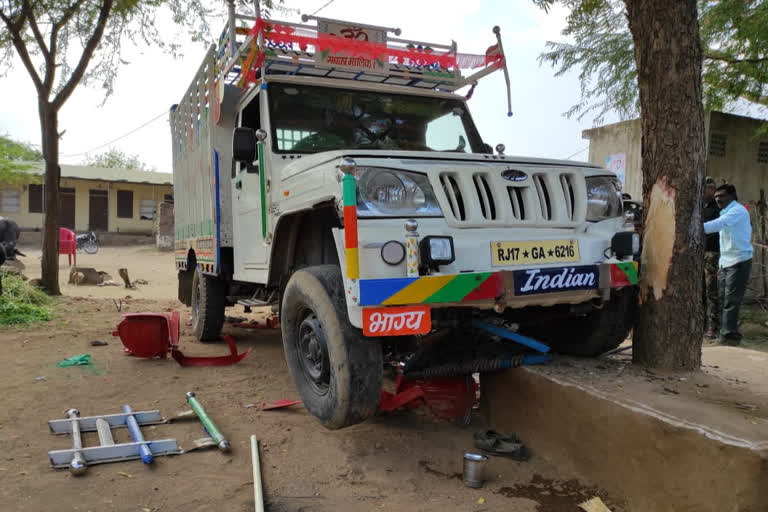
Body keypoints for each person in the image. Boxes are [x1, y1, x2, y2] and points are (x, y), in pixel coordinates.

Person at [704, 184, 753, 345]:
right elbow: (724, 242)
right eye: (716, 196)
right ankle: (725, 334)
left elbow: (717, 225)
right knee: (723, 299)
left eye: (722, 196)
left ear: (732, 196)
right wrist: (721, 264)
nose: (718, 199)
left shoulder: (737, 211)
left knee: (731, 301)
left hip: (739, 261)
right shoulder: (726, 211)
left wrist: (693, 228)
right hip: (727, 262)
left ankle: (729, 337)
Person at [702, 178, 721, 340]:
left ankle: (713, 328)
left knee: (711, 291)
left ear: (712, 190)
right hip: (700, 253)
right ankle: (701, 325)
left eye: (706, 189)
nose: (703, 192)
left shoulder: (718, 209)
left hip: (712, 254)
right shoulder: (703, 208)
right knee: (700, 290)